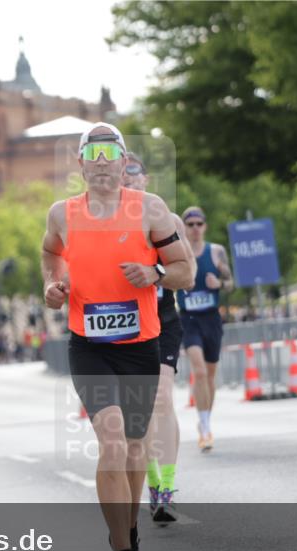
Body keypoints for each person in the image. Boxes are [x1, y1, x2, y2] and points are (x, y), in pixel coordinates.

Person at [41, 123, 193, 551]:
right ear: (81, 162)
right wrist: (54, 284)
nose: (103, 160)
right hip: (89, 345)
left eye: (112, 152)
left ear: (124, 160)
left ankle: (128, 537)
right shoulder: (62, 214)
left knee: (133, 450)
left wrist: (154, 272)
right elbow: (50, 254)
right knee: (109, 441)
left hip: (140, 345)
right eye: (94, 152)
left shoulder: (149, 209)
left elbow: (184, 271)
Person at [121, 152, 196, 524]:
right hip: (124, 325)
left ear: (146, 179)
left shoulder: (169, 219)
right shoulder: (101, 226)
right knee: (140, 411)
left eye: (134, 172)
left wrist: (154, 272)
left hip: (163, 319)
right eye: (123, 174)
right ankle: (151, 483)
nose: (129, 179)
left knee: (163, 399)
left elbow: (189, 274)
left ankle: (165, 488)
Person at [176, 206, 234, 451]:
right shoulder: (177, 252)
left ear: (205, 226)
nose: (195, 228)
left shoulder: (217, 251)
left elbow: (231, 284)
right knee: (198, 372)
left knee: (210, 375)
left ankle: (205, 422)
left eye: (199, 224)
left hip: (211, 318)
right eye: (190, 224)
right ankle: (205, 427)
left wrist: (219, 282)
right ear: (184, 228)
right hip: (188, 319)